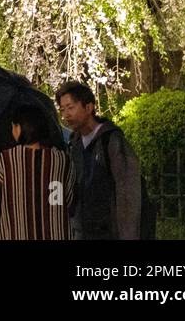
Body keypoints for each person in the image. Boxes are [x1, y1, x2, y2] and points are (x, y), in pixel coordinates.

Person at [57, 80, 148, 239]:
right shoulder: (74, 145)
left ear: (89, 107)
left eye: (71, 108)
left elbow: (128, 192)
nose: (66, 115)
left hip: (110, 232)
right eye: (62, 110)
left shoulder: (111, 140)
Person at [0, 104, 73, 240]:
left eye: (14, 126)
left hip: (17, 234)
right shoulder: (62, 159)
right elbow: (68, 199)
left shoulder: (6, 159)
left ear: (19, 128)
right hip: (56, 234)